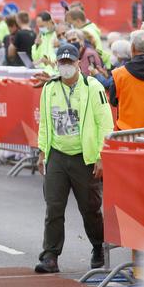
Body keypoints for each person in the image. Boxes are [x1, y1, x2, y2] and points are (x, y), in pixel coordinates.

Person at [36, 44, 114, 273]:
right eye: (62, 63)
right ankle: (50, 256)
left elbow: (105, 123)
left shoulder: (93, 87)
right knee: (54, 207)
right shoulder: (49, 88)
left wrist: (101, 156)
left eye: (70, 62)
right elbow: (44, 123)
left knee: (90, 208)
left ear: (78, 63)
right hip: (58, 154)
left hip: (84, 156)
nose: (66, 67)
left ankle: (98, 247)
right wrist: (42, 152)